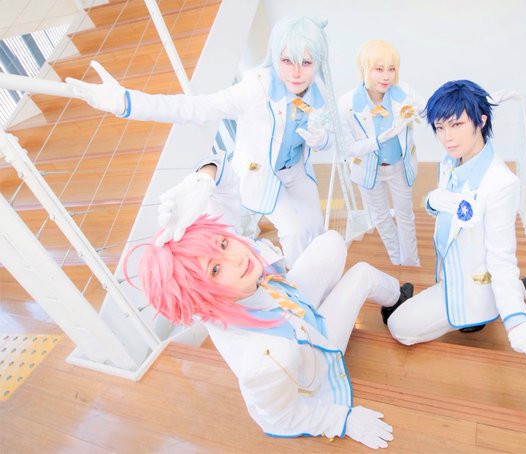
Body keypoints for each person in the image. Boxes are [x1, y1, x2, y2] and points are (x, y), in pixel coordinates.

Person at [67, 16, 341, 266]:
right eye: (287, 61)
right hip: (263, 175)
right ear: (274, 56)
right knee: (294, 231)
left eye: (306, 63)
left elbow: (328, 138)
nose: (296, 73)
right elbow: (196, 107)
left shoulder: (317, 93)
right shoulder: (255, 90)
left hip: (296, 171)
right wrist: (126, 102)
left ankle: (323, 272)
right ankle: (302, 287)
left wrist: (322, 140)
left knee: (316, 226)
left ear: (317, 62)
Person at [125, 214, 412, 448]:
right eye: (215, 270)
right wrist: (340, 420)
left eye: (223, 243)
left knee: (332, 242)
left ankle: (335, 300)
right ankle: (396, 302)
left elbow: (239, 250)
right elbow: (278, 417)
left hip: (290, 304)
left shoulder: (241, 277)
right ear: (200, 297)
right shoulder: (266, 358)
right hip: (314, 347)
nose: (236, 258)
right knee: (361, 274)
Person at [383, 80, 526, 374]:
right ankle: (525, 286)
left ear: (481, 121)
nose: (447, 137)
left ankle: (505, 299)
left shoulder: (501, 183)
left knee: (399, 327)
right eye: (440, 127)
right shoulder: (452, 159)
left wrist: (516, 321)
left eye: (457, 124)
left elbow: (501, 258)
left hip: (474, 285)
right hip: (450, 273)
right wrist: (433, 200)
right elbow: (446, 207)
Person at [338, 40, 424, 266]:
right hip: (369, 171)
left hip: (399, 167)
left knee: (405, 216)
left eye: (391, 69)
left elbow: (429, 110)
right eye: (379, 69)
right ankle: (397, 260)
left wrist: (466, 103)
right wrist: (377, 141)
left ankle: (411, 262)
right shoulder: (346, 104)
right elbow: (349, 148)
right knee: (381, 217)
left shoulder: (403, 92)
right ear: (364, 68)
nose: (386, 76)